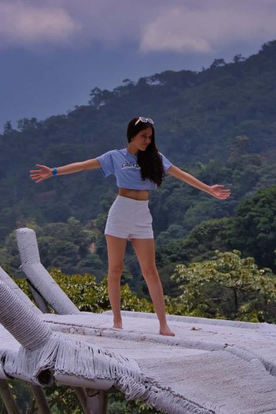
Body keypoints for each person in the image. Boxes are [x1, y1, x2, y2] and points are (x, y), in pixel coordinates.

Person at [30, 116, 230, 336]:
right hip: (120, 214)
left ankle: (163, 325)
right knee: (115, 269)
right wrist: (54, 171)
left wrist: (209, 189)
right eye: (143, 136)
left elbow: (182, 175)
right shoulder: (115, 156)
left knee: (150, 270)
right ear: (132, 136)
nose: (147, 141)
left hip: (142, 215)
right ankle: (117, 321)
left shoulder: (155, 158)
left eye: (150, 137)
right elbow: (83, 165)